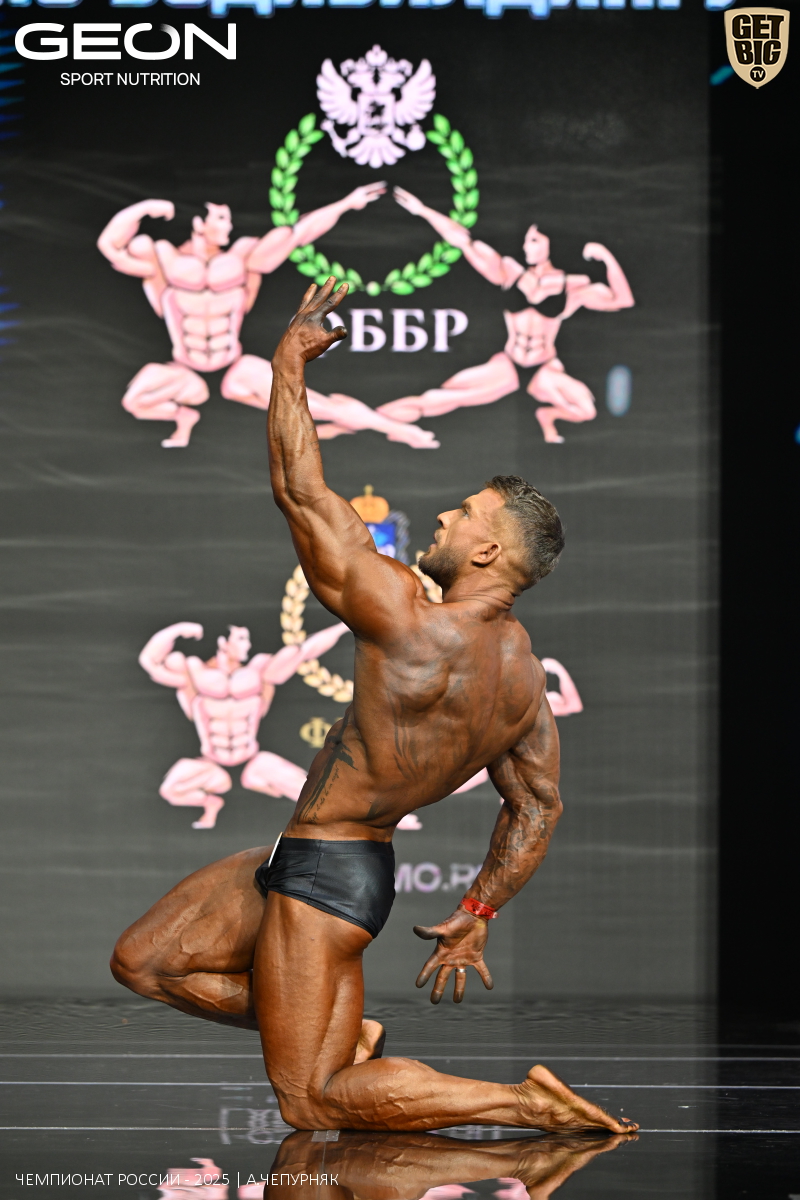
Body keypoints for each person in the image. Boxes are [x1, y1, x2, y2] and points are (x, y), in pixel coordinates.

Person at [112, 279, 637, 1136]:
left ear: (489, 550)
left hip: (330, 874)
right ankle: (343, 1031)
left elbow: (301, 491)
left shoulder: (408, 618)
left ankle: (522, 1103)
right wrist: (477, 914)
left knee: (311, 1100)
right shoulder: (524, 683)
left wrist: (288, 365)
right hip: (315, 857)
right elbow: (537, 808)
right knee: (144, 961)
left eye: (463, 514)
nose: (444, 516)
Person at [97, 195, 437, 449]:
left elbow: (297, 233)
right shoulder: (161, 257)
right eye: (221, 218)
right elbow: (110, 246)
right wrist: (142, 209)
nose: (228, 225)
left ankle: (397, 429)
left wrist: (346, 203)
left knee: (315, 405)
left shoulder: (243, 256)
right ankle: (182, 416)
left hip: (233, 366)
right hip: (184, 370)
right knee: (134, 401)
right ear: (199, 223)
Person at [378, 189, 634, 444]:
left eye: (534, 240)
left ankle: (547, 416)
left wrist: (606, 257)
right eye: (526, 241)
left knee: (586, 410)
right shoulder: (510, 272)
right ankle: (369, 422)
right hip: (509, 364)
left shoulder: (572, 286)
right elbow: (463, 240)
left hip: (544, 368)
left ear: (551, 243)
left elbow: (623, 300)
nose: (526, 246)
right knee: (438, 399)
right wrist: (423, 211)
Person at [138, 620, 350, 829]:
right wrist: (177, 629)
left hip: (251, 761)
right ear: (223, 642)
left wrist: (344, 626)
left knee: (316, 795)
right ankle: (210, 803)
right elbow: (149, 661)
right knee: (170, 790)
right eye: (241, 639)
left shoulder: (260, 670)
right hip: (211, 764)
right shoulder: (193, 672)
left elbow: (306, 650)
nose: (247, 645)